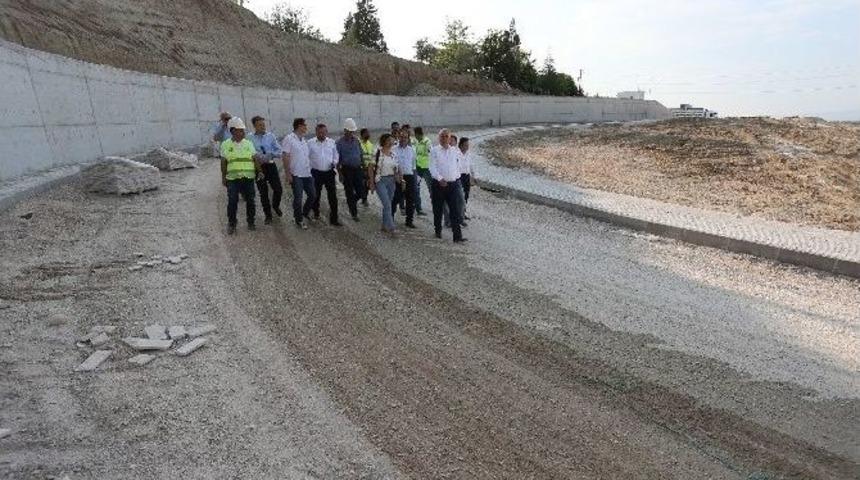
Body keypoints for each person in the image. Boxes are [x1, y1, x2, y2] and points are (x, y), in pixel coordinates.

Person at [220, 117, 262, 234]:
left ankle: (251, 222)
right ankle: (232, 224)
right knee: (232, 201)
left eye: (243, 130)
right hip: (233, 179)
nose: (243, 133)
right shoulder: (225, 144)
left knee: (251, 201)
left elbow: (255, 158)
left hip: (248, 178)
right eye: (240, 130)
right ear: (232, 131)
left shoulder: (248, 143)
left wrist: (260, 171)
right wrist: (223, 177)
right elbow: (223, 162)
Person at [429, 129, 466, 243]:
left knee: (454, 210)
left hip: (452, 184)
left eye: (446, 136)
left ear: (450, 138)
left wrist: (456, 177)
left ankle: (457, 236)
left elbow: (458, 164)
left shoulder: (455, 151)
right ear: (439, 138)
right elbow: (432, 167)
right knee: (438, 209)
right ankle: (438, 230)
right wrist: (440, 179)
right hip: (438, 185)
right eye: (442, 136)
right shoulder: (434, 151)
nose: (444, 138)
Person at [247, 116, 283, 224]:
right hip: (258, 168)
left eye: (263, 124)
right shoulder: (249, 138)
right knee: (263, 192)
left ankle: (275, 205)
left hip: (271, 165)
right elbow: (247, 151)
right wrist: (256, 156)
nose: (263, 127)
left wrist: (271, 155)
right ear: (254, 126)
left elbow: (279, 150)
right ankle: (268, 216)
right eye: (260, 125)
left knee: (278, 189)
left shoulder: (270, 136)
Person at [281, 118, 316, 230]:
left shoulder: (304, 140)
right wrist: (288, 174)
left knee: (312, 195)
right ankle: (299, 220)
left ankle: (305, 212)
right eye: (304, 125)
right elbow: (285, 156)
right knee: (298, 198)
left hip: (307, 173)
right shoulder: (289, 139)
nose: (306, 127)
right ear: (299, 126)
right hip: (296, 174)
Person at [308, 123, 341, 226]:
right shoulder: (310, 143)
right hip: (315, 173)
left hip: (329, 172)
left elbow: (336, 155)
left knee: (332, 196)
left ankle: (334, 219)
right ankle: (316, 212)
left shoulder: (332, 142)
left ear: (327, 132)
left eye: (324, 132)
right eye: (319, 132)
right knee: (315, 195)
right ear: (316, 132)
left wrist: (334, 163)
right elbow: (306, 157)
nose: (322, 134)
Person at [368, 133, 400, 235]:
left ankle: (384, 225)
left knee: (388, 204)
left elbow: (396, 168)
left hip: (392, 181)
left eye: (392, 140)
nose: (391, 142)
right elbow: (370, 167)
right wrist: (372, 182)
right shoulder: (377, 153)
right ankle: (391, 227)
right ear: (384, 141)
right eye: (389, 140)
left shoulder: (393, 154)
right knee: (386, 204)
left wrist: (400, 178)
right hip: (380, 180)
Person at [335, 118, 364, 222]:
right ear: (345, 130)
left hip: (358, 169)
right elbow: (337, 160)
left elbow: (361, 155)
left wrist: (364, 168)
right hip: (346, 170)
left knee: (361, 192)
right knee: (349, 192)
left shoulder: (357, 141)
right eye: (349, 131)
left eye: (352, 131)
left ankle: (351, 202)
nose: (351, 133)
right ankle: (354, 213)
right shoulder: (339, 143)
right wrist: (339, 174)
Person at [392, 129, 417, 229]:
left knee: (410, 199)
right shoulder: (393, 149)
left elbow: (413, 165)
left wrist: (415, 179)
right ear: (398, 137)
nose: (403, 139)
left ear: (408, 138)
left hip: (409, 176)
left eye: (405, 137)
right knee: (395, 198)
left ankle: (409, 221)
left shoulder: (412, 150)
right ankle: (390, 219)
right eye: (401, 137)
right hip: (397, 177)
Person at [412, 126, 432, 216]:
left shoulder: (427, 141)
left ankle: (436, 206)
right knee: (416, 188)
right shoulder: (415, 141)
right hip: (418, 168)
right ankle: (418, 208)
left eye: (415, 135)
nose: (415, 137)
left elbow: (430, 153)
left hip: (427, 169)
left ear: (418, 134)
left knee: (431, 188)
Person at [458, 137, 474, 221]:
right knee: (459, 195)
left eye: (468, 145)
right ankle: (457, 213)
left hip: (467, 176)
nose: (467, 147)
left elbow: (471, 165)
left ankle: (463, 212)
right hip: (459, 176)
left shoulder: (468, 154)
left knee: (466, 195)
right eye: (466, 145)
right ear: (461, 145)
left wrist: (473, 176)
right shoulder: (456, 153)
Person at [359, 128, 375, 206]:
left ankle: (364, 198)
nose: (368, 134)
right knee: (363, 184)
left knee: (367, 184)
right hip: (361, 168)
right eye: (366, 133)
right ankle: (363, 199)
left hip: (370, 168)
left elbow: (372, 156)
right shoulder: (359, 144)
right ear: (362, 135)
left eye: (368, 133)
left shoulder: (370, 144)